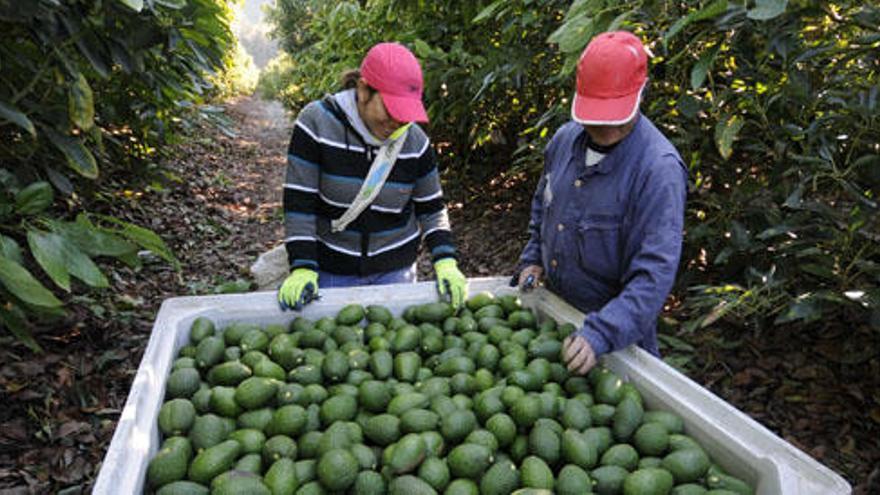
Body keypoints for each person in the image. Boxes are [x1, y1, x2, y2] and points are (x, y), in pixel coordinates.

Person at [513, 31, 687, 375]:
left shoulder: (657, 170)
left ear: (641, 93)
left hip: (618, 341)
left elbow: (653, 275)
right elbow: (543, 207)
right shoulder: (564, 142)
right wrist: (533, 259)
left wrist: (601, 333)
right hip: (556, 321)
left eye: (615, 114)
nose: (604, 127)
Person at [278, 42, 467, 310]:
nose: (396, 124)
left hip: (395, 271)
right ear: (364, 90)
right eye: (391, 111)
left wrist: (445, 260)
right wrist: (303, 266)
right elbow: (300, 204)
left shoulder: (414, 142)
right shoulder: (317, 123)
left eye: (405, 116)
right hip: (332, 268)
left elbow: (432, 208)